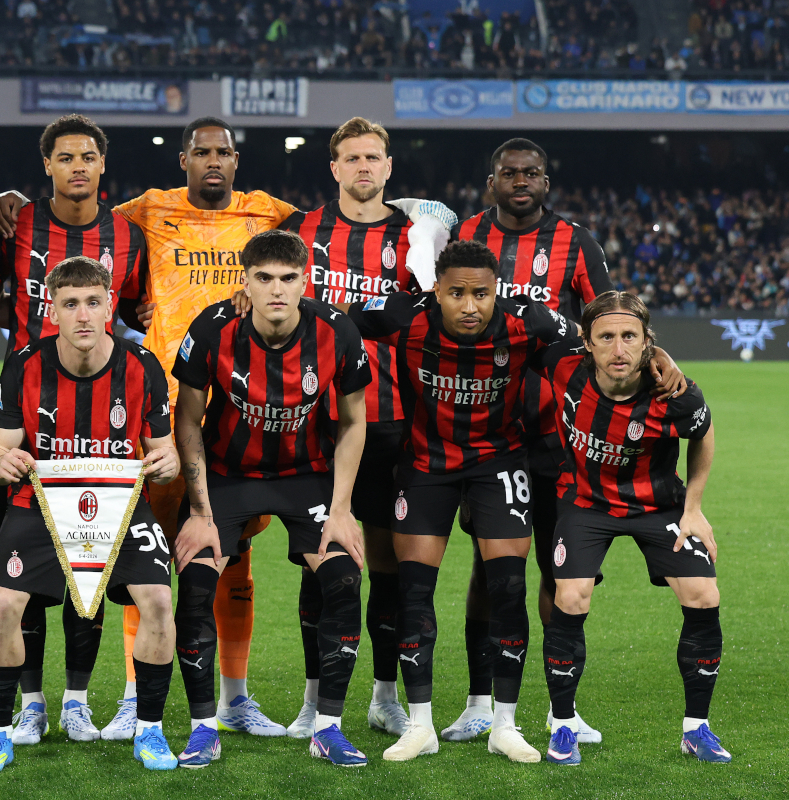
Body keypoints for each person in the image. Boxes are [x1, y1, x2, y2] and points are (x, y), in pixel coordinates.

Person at [0, 116, 455, 739]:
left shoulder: (270, 214)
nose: (214, 161)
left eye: (225, 152)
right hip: (156, 410)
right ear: (183, 158)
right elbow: (81, 207)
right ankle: (132, 693)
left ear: (237, 161)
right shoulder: (145, 211)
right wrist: (10, 202)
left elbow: (346, 208)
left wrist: (400, 201)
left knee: (232, 561)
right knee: (138, 555)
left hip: (242, 411)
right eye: (202, 151)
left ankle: (233, 697)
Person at [450, 138, 681, 744]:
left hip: (559, 433)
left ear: (546, 182)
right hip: (484, 426)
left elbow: (609, 313)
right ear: (491, 179)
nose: (520, 181)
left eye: (531, 173)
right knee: (490, 565)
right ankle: (480, 701)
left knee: (558, 571)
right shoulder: (468, 233)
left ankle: (561, 709)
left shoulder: (576, 241)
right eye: (509, 172)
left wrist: (656, 353)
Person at [346, 239, 581, 764]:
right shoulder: (403, 315)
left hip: (499, 464)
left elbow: (592, 343)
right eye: (457, 293)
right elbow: (330, 318)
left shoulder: (530, 321)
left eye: (481, 293)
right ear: (436, 290)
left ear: (497, 290)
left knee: (509, 589)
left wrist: (654, 355)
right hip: (426, 465)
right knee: (413, 593)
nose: (470, 306)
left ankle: (505, 724)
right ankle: (421, 725)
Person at [279, 116, 454, 739]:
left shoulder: (416, 233)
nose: (362, 167)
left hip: (393, 420)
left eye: (372, 157)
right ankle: (313, 700)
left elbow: (435, 304)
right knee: (317, 561)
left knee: (384, 563)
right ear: (334, 168)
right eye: (350, 158)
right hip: (315, 420)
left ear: (387, 167)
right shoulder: (301, 232)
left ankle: (383, 696)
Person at [0, 115, 148, 746]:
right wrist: (28, 328)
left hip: (101, 413)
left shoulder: (127, 235)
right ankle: (31, 702)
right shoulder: (15, 224)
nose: (77, 165)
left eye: (88, 156)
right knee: (23, 569)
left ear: (103, 166)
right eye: (65, 156)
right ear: (46, 165)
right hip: (27, 407)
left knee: (90, 562)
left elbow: (135, 311)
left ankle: (76, 700)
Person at [171, 230, 372, 768]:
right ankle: (202, 727)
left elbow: (354, 422)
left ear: (305, 281)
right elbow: (187, 418)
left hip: (305, 474)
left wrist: (342, 508)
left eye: (287, 279)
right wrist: (199, 511)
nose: (276, 290)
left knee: (344, 578)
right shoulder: (212, 329)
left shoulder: (336, 330)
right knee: (194, 580)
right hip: (228, 475)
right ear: (246, 282)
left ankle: (327, 726)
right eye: (264, 279)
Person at [0, 256, 180, 773]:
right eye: (71, 304)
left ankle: (150, 731)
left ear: (110, 305)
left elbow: (166, 452)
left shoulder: (142, 366)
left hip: (121, 504)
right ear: (53, 310)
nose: (83, 315)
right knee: (4, 605)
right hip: (39, 504)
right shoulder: (24, 363)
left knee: (157, 600)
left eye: (93, 302)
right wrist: (4, 462)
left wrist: (166, 461)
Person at [537, 292, 727, 765]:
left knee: (704, 593)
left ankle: (696, 729)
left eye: (630, 337)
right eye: (606, 337)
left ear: (647, 342)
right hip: (585, 502)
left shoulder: (674, 392)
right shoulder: (562, 363)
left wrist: (695, 507)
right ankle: (562, 725)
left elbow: (702, 436)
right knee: (571, 595)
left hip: (658, 506)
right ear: (586, 341)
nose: (619, 349)